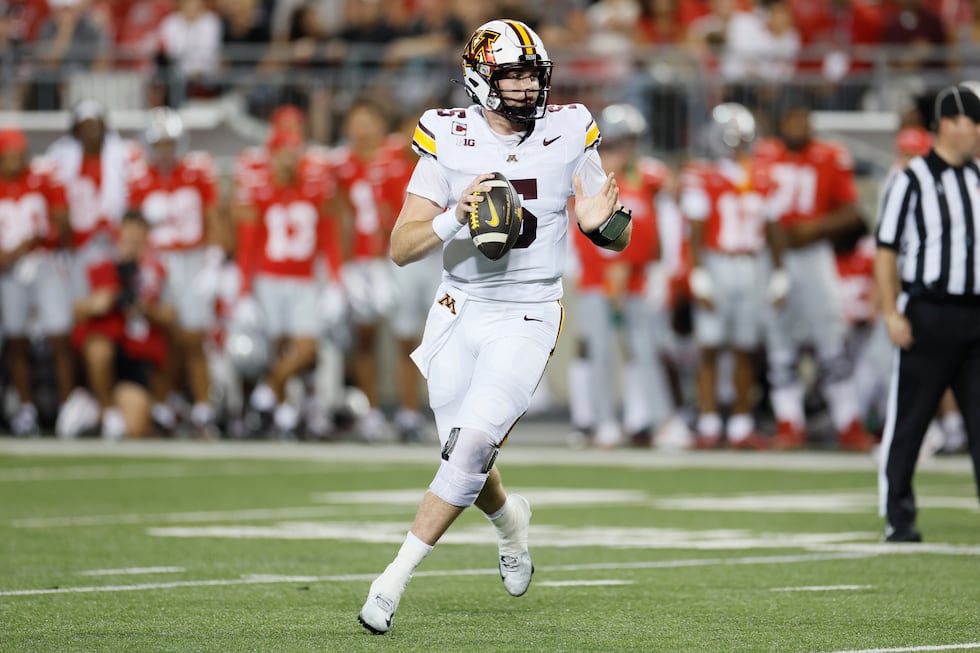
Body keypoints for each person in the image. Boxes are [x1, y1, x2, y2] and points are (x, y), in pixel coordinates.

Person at [358, 18, 626, 634]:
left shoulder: (568, 129)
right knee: (462, 455)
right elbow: (401, 247)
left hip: (528, 309)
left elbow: (614, 228)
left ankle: (391, 582)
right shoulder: (445, 134)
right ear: (481, 79)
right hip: (458, 309)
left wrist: (602, 224)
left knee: (474, 446)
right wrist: (456, 217)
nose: (528, 88)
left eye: (533, 75)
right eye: (512, 75)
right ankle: (512, 525)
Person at [874, 83, 980, 542]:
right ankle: (899, 515)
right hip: (928, 310)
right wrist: (891, 311)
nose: (978, 132)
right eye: (974, 122)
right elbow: (885, 250)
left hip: (974, 313)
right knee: (911, 419)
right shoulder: (911, 177)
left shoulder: (978, 178)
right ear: (951, 123)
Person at [753, 102, 876, 452]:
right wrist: (780, 262)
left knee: (831, 338)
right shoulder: (766, 155)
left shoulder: (830, 155)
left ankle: (848, 420)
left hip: (815, 255)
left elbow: (851, 211)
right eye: (792, 119)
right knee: (780, 342)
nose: (798, 126)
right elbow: (767, 215)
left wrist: (812, 228)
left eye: (803, 120)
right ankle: (788, 421)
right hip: (773, 255)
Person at [681, 102, 787, 450]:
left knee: (745, 347)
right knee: (710, 346)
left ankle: (741, 423)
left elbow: (772, 228)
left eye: (741, 138)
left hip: (753, 264)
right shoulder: (703, 176)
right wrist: (698, 272)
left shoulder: (764, 176)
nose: (736, 144)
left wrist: (779, 271)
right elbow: (696, 230)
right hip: (718, 261)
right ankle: (710, 421)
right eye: (731, 138)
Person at [566, 102, 672, 449]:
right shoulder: (587, 181)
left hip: (636, 279)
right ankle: (602, 421)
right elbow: (583, 237)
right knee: (599, 352)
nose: (621, 152)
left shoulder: (645, 179)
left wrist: (638, 267)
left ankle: (660, 421)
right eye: (613, 144)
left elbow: (652, 230)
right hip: (598, 280)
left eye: (627, 143)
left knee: (644, 350)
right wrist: (609, 270)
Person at [232, 128, 340, 437]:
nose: (289, 160)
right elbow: (247, 245)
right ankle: (281, 415)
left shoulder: (315, 189)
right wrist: (244, 292)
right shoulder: (261, 191)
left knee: (307, 348)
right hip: (269, 279)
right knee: (277, 350)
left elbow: (328, 238)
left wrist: (334, 280)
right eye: (284, 153)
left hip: (303, 279)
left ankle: (267, 392)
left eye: (295, 152)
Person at [128, 107, 225, 437]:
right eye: (160, 143)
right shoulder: (140, 178)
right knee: (162, 339)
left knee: (194, 338)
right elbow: (133, 230)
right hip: (156, 263)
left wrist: (213, 258)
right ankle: (164, 406)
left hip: (192, 258)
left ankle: (202, 408)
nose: (166, 150)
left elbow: (213, 216)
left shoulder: (197, 172)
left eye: (170, 142)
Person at [71, 211, 174, 439]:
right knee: (99, 348)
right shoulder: (100, 264)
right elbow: (78, 308)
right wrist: (101, 301)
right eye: (128, 233)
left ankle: (94, 411)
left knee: (136, 429)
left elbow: (170, 315)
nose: (133, 239)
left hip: (139, 355)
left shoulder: (157, 269)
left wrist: (143, 307)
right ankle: (105, 411)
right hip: (112, 350)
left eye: (139, 234)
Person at [0, 127, 72, 434]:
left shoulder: (42, 177)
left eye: (19, 153)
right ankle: (26, 408)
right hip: (8, 271)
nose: (15, 160)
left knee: (59, 336)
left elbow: (62, 227)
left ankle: (68, 408)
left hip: (43, 263)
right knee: (16, 340)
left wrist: (34, 241)